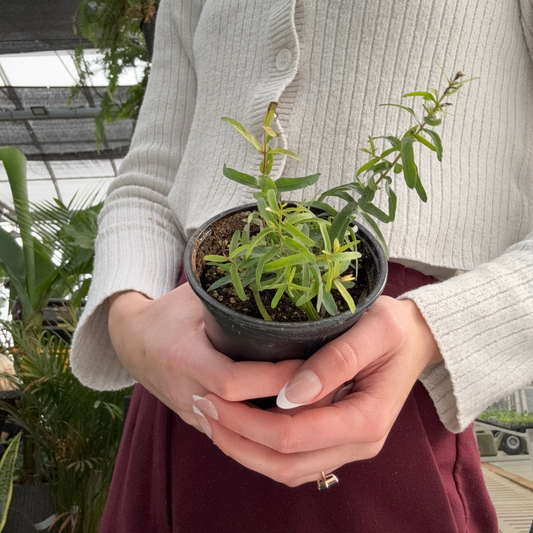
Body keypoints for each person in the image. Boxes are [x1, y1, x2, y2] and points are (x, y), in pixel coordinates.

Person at [70, 1, 533, 531]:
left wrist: (435, 328)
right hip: (187, 370)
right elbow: (150, 178)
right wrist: (130, 320)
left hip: (392, 380)